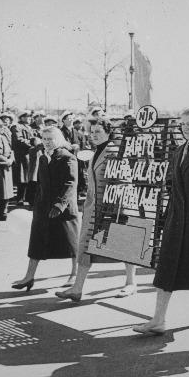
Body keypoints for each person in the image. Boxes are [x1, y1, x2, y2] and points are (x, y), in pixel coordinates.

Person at [134, 107, 189, 335]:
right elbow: (174, 188)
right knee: (166, 269)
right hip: (177, 219)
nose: (185, 128)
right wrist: (166, 217)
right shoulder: (179, 150)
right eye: (182, 124)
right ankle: (159, 319)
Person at [56, 117, 138, 301]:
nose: (93, 135)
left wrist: (117, 208)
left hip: (114, 207)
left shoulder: (114, 151)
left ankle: (131, 283)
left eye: (98, 132)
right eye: (92, 132)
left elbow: (124, 182)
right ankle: (77, 288)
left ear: (109, 133)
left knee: (125, 244)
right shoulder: (97, 151)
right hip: (94, 207)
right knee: (85, 245)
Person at [11, 126, 78, 291]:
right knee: (37, 243)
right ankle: (29, 277)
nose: (47, 142)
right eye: (45, 139)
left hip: (63, 209)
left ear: (59, 139)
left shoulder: (67, 157)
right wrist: (36, 204)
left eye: (51, 139)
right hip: (43, 207)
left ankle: (74, 274)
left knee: (72, 244)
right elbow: (40, 184)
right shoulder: (43, 157)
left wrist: (59, 205)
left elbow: (70, 183)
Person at [11, 110, 33, 205]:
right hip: (22, 155)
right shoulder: (17, 127)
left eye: (29, 116)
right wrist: (32, 143)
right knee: (22, 177)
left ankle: (27, 197)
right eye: (27, 117)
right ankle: (19, 198)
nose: (29, 118)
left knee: (28, 177)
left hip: (30, 155)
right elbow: (18, 140)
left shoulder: (29, 127)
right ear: (22, 117)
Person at [25, 111, 47, 205]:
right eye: (41, 116)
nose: (42, 119)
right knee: (33, 179)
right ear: (36, 117)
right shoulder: (31, 128)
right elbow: (31, 141)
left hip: (41, 154)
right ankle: (30, 199)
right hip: (35, 154)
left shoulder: (43, 128)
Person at [73, 117, 90, 197]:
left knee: (83, 173)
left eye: (81, 123)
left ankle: (81, 190)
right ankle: (78, 191)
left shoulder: (82, 133)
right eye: (78, 123)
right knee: (78, 174)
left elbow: (84, 143)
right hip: (77, 156)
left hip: (82, 156)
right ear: (75, 124)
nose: (80, 124)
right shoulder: (74, 132)